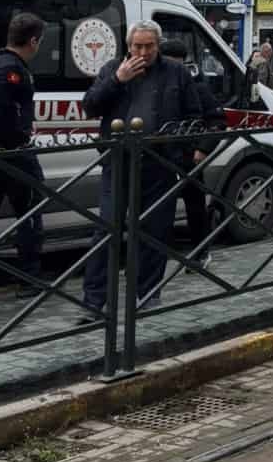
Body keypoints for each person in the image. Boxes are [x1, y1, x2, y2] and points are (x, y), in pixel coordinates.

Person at [82, 21, 204, 317]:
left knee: (153, 231)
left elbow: (194, 113)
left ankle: (147, 295)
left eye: (149, 46)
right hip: (118, 162)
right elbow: (90, 106)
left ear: (158, 45)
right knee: (107, 230)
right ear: (128, 46)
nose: (143, 51)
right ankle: (94, 302)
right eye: (138, 46)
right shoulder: (113, 68)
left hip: (159, 164)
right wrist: (118, 80)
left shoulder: (176, 72)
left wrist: (193, 150)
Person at [0, 13, 48, 300]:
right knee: (32, 211)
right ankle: (30, 277)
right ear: (33, 41)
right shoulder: (13, 70)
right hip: (14, 152)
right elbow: (2, 112)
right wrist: (18, 134)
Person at [159, 39, 226, 268]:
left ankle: (200, 253)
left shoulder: (197, 86)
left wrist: (202, 149)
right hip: (159, 156)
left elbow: (216, 120)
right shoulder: (154, 83)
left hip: (188, 156)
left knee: (195, 206)